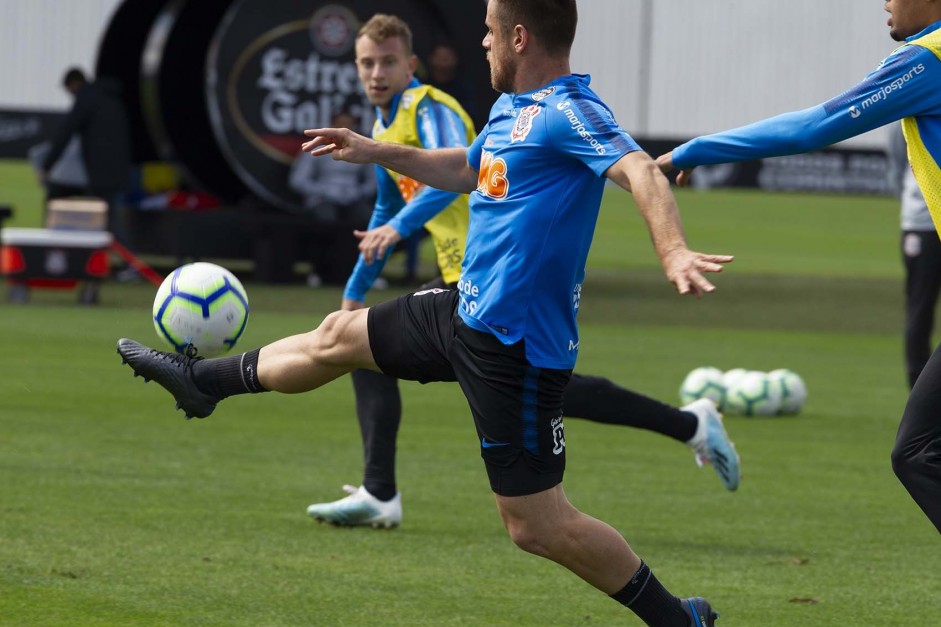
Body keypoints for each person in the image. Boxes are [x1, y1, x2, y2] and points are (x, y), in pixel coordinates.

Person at [117, 1, 732, 624]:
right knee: (337, 337)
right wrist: (374, 149)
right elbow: (466, 168)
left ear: (519, 37)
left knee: (536, 525)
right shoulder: (510, 108)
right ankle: (203, 384)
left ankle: (676, 618)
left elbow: (640, 172)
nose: (482, 40)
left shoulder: (570, 111)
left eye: (490, 30)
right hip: (463, 313)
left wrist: (673, 248)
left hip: (514, 351)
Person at [305, 13, 739, 530]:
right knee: (364, 348)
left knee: (544, 393)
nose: (376, 73)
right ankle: (379, 491)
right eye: (366, 64)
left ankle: (689, 423)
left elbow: (454, 176)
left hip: (492, 273)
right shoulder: (384, 125)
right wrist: (354, 291)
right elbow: (382, 210)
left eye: (388, 62)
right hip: (467, 279)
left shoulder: (430, 109)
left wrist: (398, 232)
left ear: (410, 65)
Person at [656, 0, 941, 535]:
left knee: (919, 452)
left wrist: (696, 149)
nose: (885, 3)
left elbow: (815, 125)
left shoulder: (928, 58)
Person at [40, 67, 132, 247]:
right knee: (108, 215)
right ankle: (111, 257)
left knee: (108, 217)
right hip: (118, 167)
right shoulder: (110, 98)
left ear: (74, 85)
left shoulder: (87, 98)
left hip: (103, 170)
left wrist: (46, 166)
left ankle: (129, 259)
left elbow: (65, 133)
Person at [288, 108, 376, 287]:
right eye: (340, 124)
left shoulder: (362, 146)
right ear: (332, 125)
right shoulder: (316, 145)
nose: (344, 128)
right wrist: (324, 190)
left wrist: (357, 191)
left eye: (349, 125)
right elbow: (298, 179)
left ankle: (367, 274)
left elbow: (372, 181)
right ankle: (319, 272)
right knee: (325, 220)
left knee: (369, 221)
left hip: (352, 198)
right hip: (322, 198)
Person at [887, 122, 940, 389]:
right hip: (922, 224)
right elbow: (897, 168)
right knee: (920, 308)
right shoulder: (909, 113)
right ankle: (918, 391)